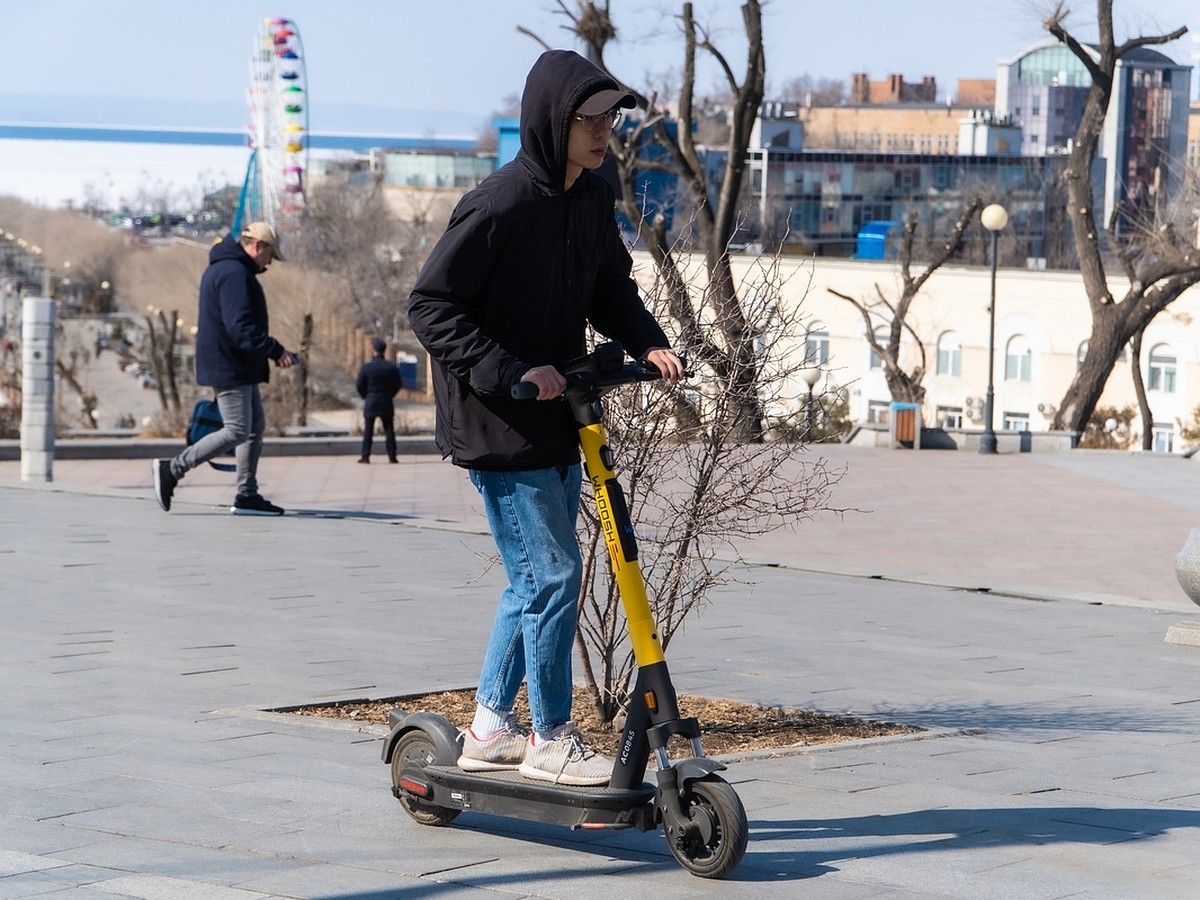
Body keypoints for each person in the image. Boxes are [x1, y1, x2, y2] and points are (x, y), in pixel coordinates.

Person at [408, 49, 684, 787]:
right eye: (589, 120)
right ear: (552, 121)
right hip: (500, 416)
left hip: (560, 408)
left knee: (533, 580)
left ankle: (492, 726)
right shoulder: (499, 204)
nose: (602, 133)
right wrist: (507, 371)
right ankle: (551, 737)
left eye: (610, 119)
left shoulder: (591, 197)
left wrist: (648, 341)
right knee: (555, 573)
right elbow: (431, 306)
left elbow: (608, 286)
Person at [153, 221, 298, 516]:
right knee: (237, 429)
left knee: (254, 428)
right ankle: (173, 469)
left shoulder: (228, 268)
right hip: (230, 364)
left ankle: (247, 495)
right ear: (258, 246)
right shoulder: (234, 274)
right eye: (270, 254)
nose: (270, 262)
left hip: (237, 363)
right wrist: (276, 350)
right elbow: (240, 327)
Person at [355, 337, 403, 464]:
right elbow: (398, 384)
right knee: (389, 430)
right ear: (384, 350)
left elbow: (359, 385)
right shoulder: (391, 367)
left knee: (368, 431)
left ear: (373, 350)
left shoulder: (366, 367)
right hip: (386, 401)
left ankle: (365, 456)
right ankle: (392, 457)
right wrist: (389, 394)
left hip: (371, 401)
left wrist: (366, 396)